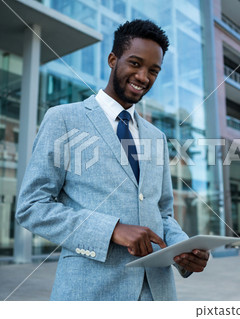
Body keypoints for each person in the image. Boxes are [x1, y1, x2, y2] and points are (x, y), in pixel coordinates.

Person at [16, 19, 209, 301]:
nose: (143, 77)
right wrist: (112, 231)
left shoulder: (156, 137)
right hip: (91, 293)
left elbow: (162, 213)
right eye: (135, 64)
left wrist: (183, 248)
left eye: (153, 71)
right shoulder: (63, 119)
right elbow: (32, 207)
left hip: (158, 295)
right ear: (112, 59)